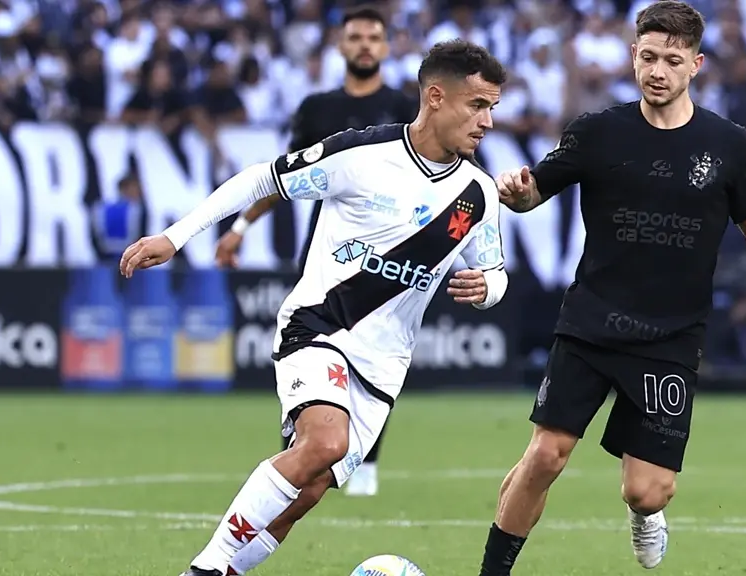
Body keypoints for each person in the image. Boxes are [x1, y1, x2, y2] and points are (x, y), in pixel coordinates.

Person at [119, 39, 509, 576]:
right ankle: (206, 569)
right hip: (320, 324)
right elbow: (262, 178)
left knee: (306, 494)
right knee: (325, 440)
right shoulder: (361, 157)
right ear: (436, 97)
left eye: (493, 108)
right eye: (479, 105)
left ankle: (222, 573)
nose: (488, 121)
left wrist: (486, 288)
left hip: (384, 365)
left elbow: (496, 272)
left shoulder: (477, 195)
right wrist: (176, 236)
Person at [479, 2, 746, 574]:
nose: (657, 70)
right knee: (546, 454)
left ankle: (646, 515)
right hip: (590, 320)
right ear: (633, 55)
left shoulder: (728, 145)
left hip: (671, 336)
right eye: (648, 56)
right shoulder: (597, 132)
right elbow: (534, 190)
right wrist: (515, 191)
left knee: (647, 490)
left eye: (672, 59)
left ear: (696, 64)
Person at [214, 6, 418, 499]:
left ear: (387, 47)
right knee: (306, 339)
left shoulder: (405, 108)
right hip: (327, 252)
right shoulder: (317, 109)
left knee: (375, 353)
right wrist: (241, 225)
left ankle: (366, 458)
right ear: (341, 46)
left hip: (389, 256)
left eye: (374, 36)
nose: (366, 44)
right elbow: (282, 176)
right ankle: (301, 431)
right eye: (356, 37)